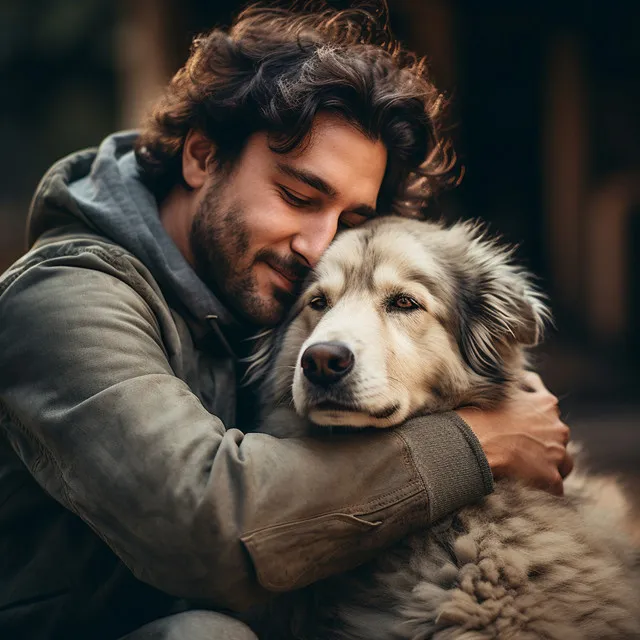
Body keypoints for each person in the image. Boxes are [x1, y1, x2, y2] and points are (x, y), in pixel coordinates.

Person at [0, 5, 572, 639]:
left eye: (350, 219)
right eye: (299, 196)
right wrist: (480, 443)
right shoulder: (63, 298)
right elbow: (201, 523)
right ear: (200, 157)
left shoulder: (254, 286)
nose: (316, 246)